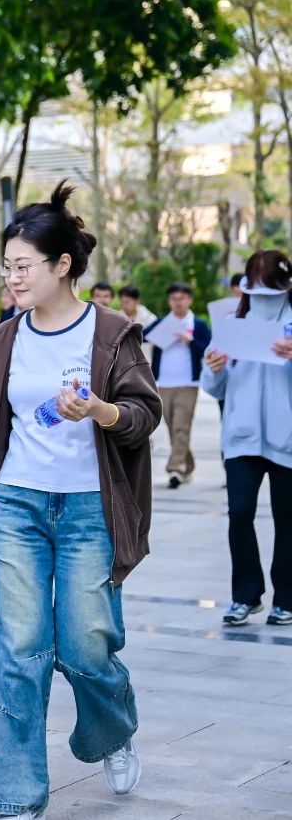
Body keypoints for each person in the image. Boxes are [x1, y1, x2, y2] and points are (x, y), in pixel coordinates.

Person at [0, 182, 161, 820]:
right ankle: (13, 799)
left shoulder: (113, 331)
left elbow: (144, 414)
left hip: (90, 508)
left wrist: (100, 410)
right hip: (15, 505)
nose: (12, 278)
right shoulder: (2, 339)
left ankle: (111, 730)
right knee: (20, 646)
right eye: (7, 267)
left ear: (62, 265)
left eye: (23, 267)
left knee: (85, 645)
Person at [201, 250, 292, 627]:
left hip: (286, 440)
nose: (264, 301)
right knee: (239, 514)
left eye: (272, 293)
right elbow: (213, 386)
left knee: (287, 521)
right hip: (240, 438)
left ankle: (285, 599)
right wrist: (214, 368)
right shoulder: (231, 323)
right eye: (256, 292)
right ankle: (246, 596)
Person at [144, 283, 212, 489]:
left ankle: (175, 469)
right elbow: (141, 336)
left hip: (188, 384)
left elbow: (208, 350)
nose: (178, 302)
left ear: (189, 300)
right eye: (174, 299)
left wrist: (190, 341)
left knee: (182, 425)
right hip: (163, 383)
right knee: (173, 427)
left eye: (182, 298)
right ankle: (187, 465)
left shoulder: (197, 324)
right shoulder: (163, 322)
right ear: (169, 301)